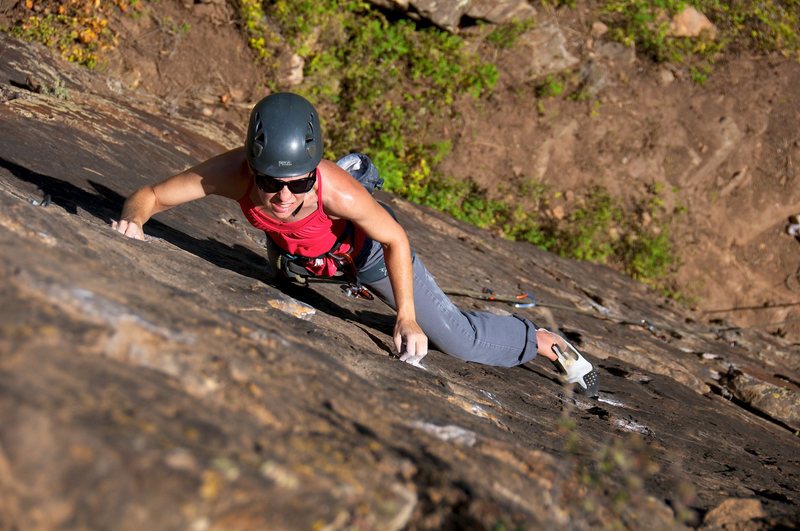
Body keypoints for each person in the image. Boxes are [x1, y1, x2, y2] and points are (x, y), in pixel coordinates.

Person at [112, 92, 599, 396]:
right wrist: (134, 223)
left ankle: (539, 341)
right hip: (303, 253)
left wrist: (406, 316)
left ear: (314, 173)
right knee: (287, 264)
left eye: (298, 184)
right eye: (270, 182)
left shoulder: (330, 191)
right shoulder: (233, 174)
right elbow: (151, 196)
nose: (283, 195)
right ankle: (302, 251)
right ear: (252, 168)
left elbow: (394, 238)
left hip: (364, 256)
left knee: (458, 340)